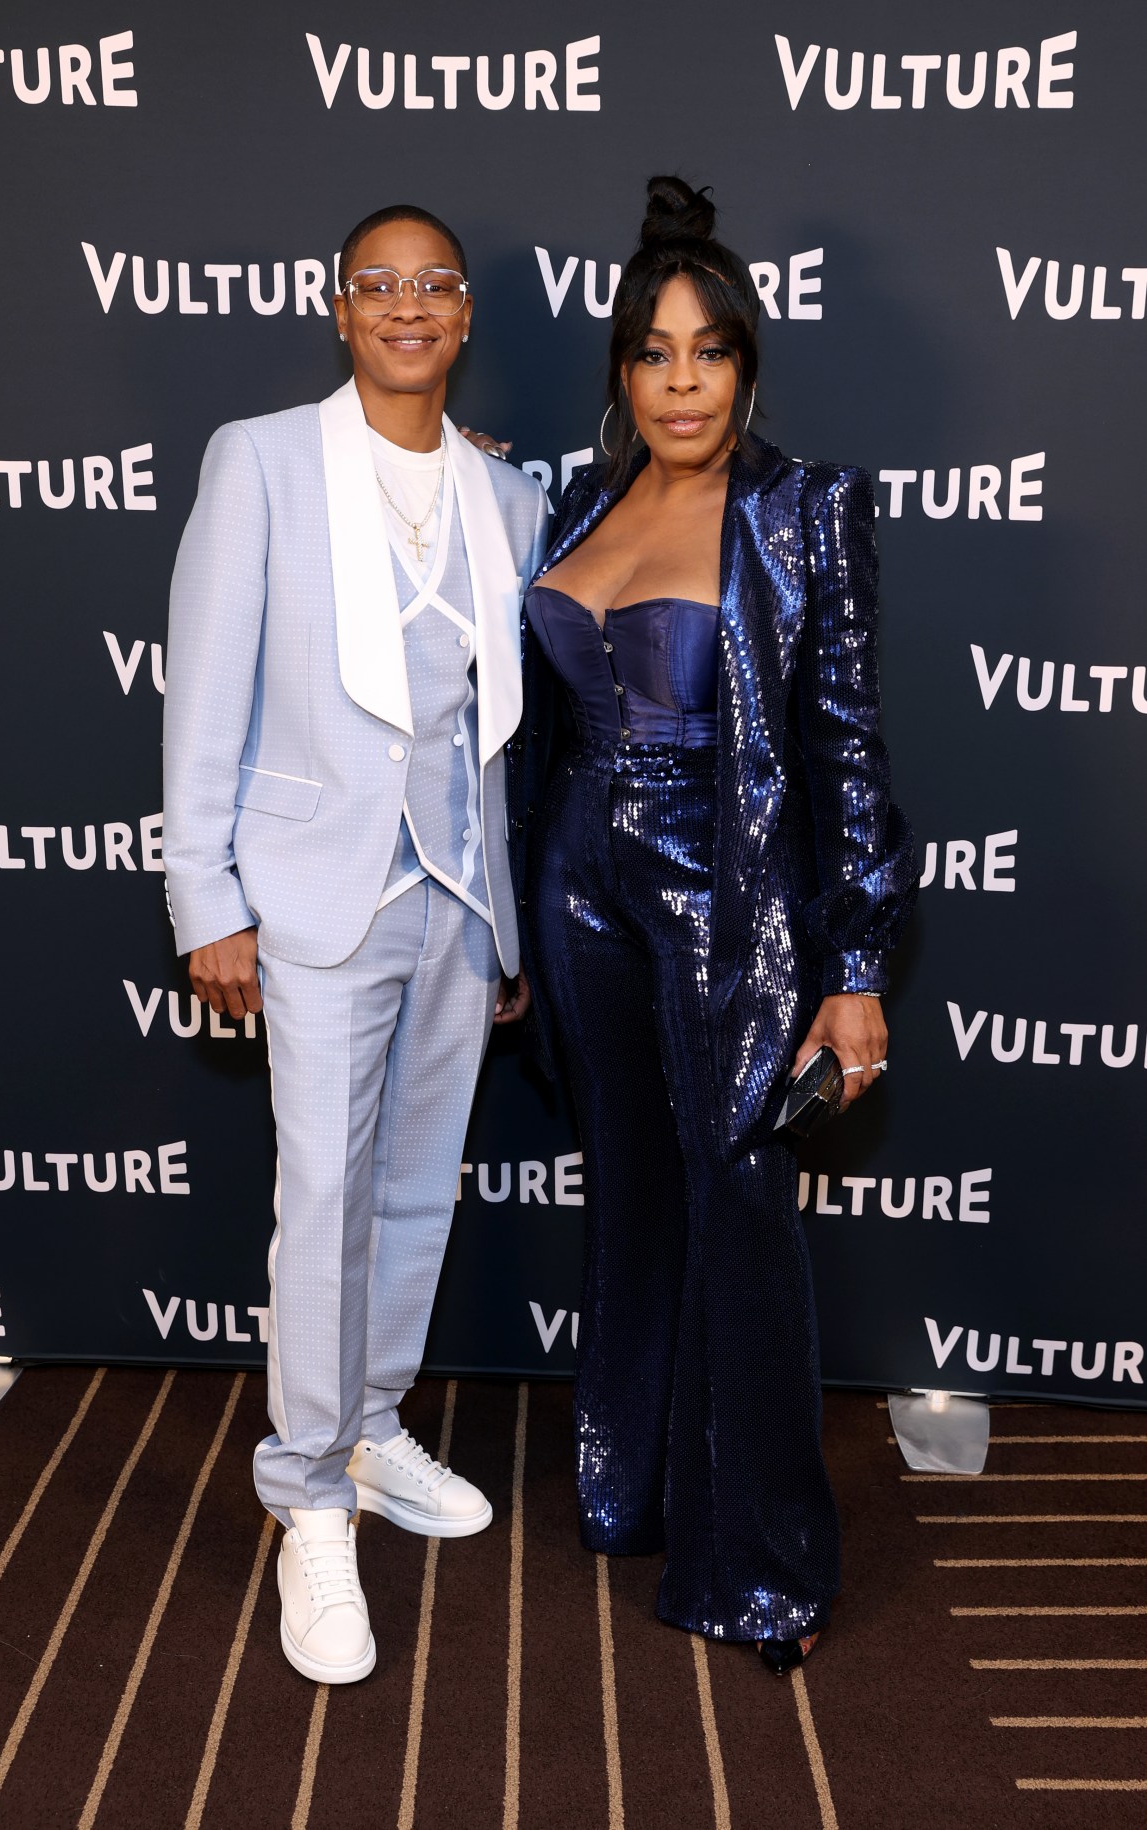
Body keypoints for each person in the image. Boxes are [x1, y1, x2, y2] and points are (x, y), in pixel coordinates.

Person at [509, 176, 916, 1674]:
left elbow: (849, 749)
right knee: (629, 1186)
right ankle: (631, 1485)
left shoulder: (805, 509)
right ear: (621, 370)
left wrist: (855, 961)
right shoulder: (579, 499)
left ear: (747, 364)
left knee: (737, 1203)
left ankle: (761, 1564)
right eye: (653, 353)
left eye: (710, 351)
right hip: (575, 884)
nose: (683, 381)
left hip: (722, 891)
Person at [163, 204, 545, 1685]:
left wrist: (502, 905)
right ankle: (307, 1493)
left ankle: (373, 1427)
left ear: (461, 317)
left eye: (433, 286)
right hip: (315, 894)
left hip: (452, 898)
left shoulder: (501, 499)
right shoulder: (258, 460)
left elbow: (498, 737)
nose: (407, 307)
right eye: (378, 286)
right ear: (340, 310)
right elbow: (203, 688)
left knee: (407, 1191)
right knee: (319, 1193)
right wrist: (210, 896)